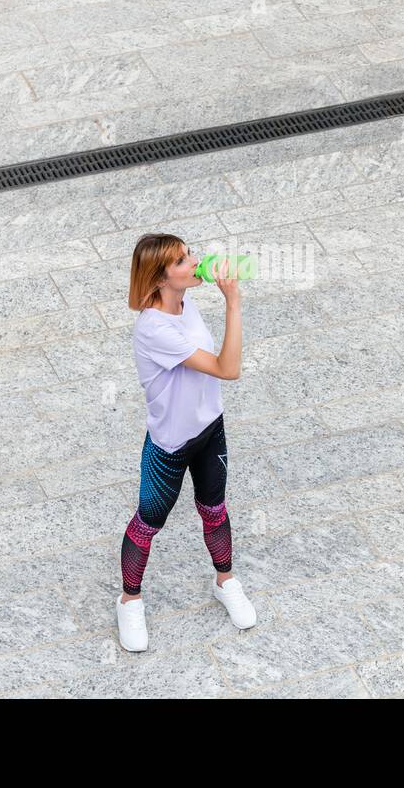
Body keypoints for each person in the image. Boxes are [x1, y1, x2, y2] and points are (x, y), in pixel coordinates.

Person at [117, 234, 256, 652]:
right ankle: (129, 600)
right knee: (148, 523)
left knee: (215, 510)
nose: (195, 262)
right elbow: (226, 369)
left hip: (210, 427)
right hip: (171, 445)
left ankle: (225, 581)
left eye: (190, 253)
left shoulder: (185, 303)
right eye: (182, 260)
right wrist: (233, 301)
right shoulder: (153, 328)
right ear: (160, 278)